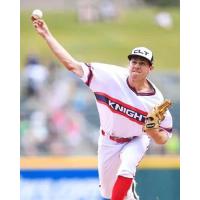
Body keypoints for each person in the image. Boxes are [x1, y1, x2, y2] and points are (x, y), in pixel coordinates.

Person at [32, 18, 173, 200]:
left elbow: (162, 139)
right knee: (108, 193)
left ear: (150, 68)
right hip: (108, 140)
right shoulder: (109, 77)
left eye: (142, 63)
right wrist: (46, 35)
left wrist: (152, 130)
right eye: (134, 61)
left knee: (127, 167)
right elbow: (72, 65)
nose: (137, 66)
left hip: (136, 139)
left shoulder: (155, 100)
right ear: (129, 63)